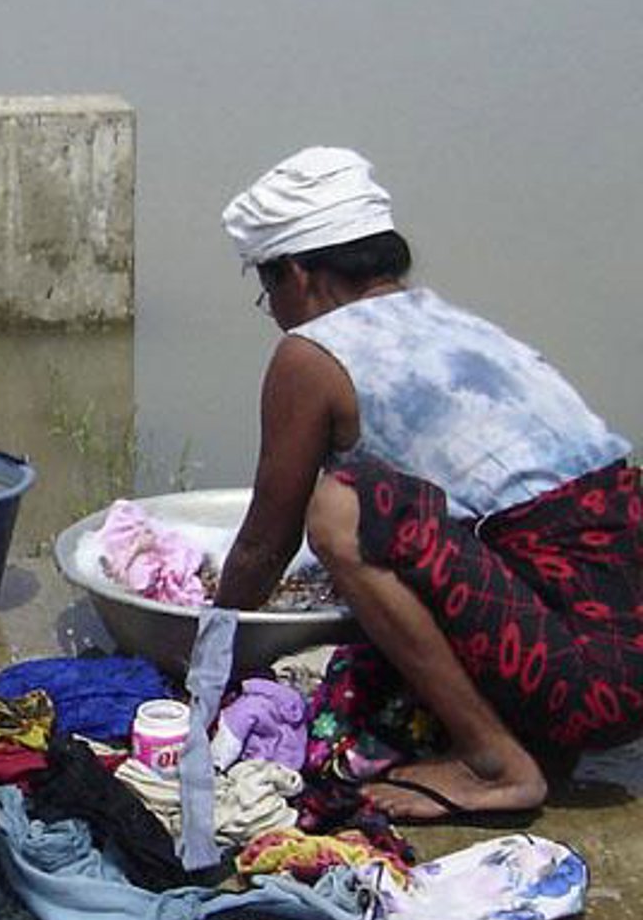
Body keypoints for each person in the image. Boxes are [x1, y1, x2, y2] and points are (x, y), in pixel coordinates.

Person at [214, 145, 641, 822]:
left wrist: (206, 642)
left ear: (297, 273)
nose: (274, 312)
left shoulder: (311, 354)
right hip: (616, 652)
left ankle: (491, 763)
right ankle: (521, 732)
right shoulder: (454, 325)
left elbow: (266, 543)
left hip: (588, 687)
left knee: (341, 508)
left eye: (269, 292)